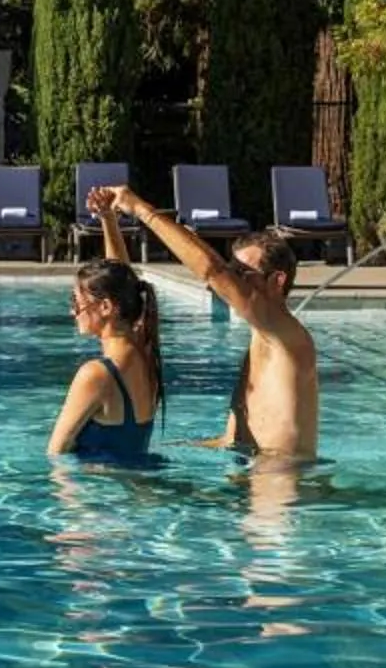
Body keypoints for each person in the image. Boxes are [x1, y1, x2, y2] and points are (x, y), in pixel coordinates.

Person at [89, 184, 319, 464]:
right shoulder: (262, 339)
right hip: (247, 481)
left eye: (242, 274)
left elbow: (213, 271)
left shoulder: (287, 335)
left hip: (280, 492)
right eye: (233, 272)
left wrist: (141, 210)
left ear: (277, 281)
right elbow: (123, 305)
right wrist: (109, 221)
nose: (233, 282)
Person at [47, 218, 163, 459]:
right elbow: (123, 281)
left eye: (76, 302)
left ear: (106, 307)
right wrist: (108, 218)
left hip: (101, 492)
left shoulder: (96, 375)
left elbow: (56, 454)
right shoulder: (146, 355)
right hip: (138, 483)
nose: (72, 312)